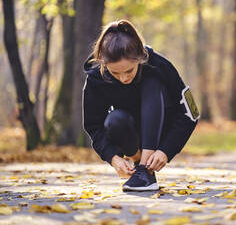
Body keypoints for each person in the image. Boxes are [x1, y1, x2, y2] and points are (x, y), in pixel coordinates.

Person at [82, 19, 199, 191]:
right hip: (128, 131)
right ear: (104, 64)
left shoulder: (159, 65)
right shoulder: (95, 77)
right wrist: (113, 157)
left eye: (129, 70)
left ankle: (145, 171)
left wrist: (166, 150)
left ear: (140, 57)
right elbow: (93, 125)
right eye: (115, 73)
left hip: (162, 129)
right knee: (115, 120)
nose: (123, 78)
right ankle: (138, 163)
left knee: (152, 83)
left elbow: (190, 115)